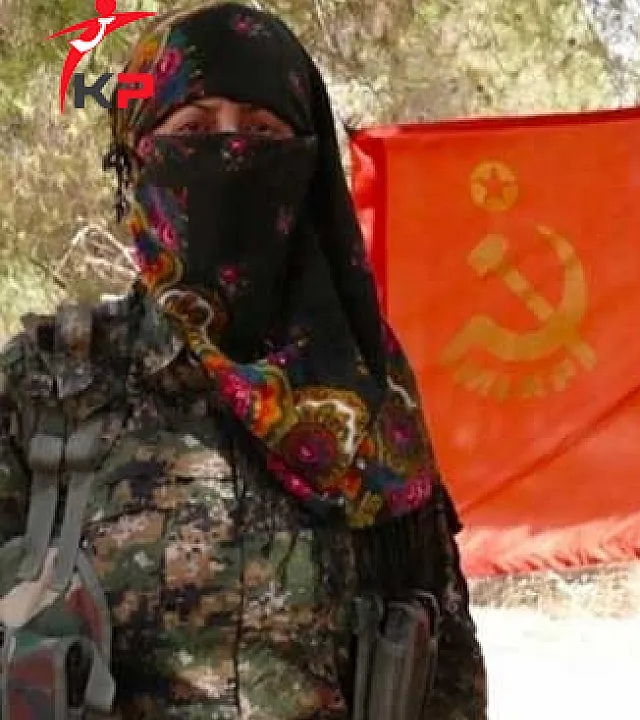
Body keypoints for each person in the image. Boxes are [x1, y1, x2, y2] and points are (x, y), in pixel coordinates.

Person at [0, 2, 486, 718]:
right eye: (194, 130)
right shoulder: (50, 382)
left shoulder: (366, 387)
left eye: (261, 132)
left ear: (307, 163)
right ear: (138, 159)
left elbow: (445, 661)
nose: (231, 153)